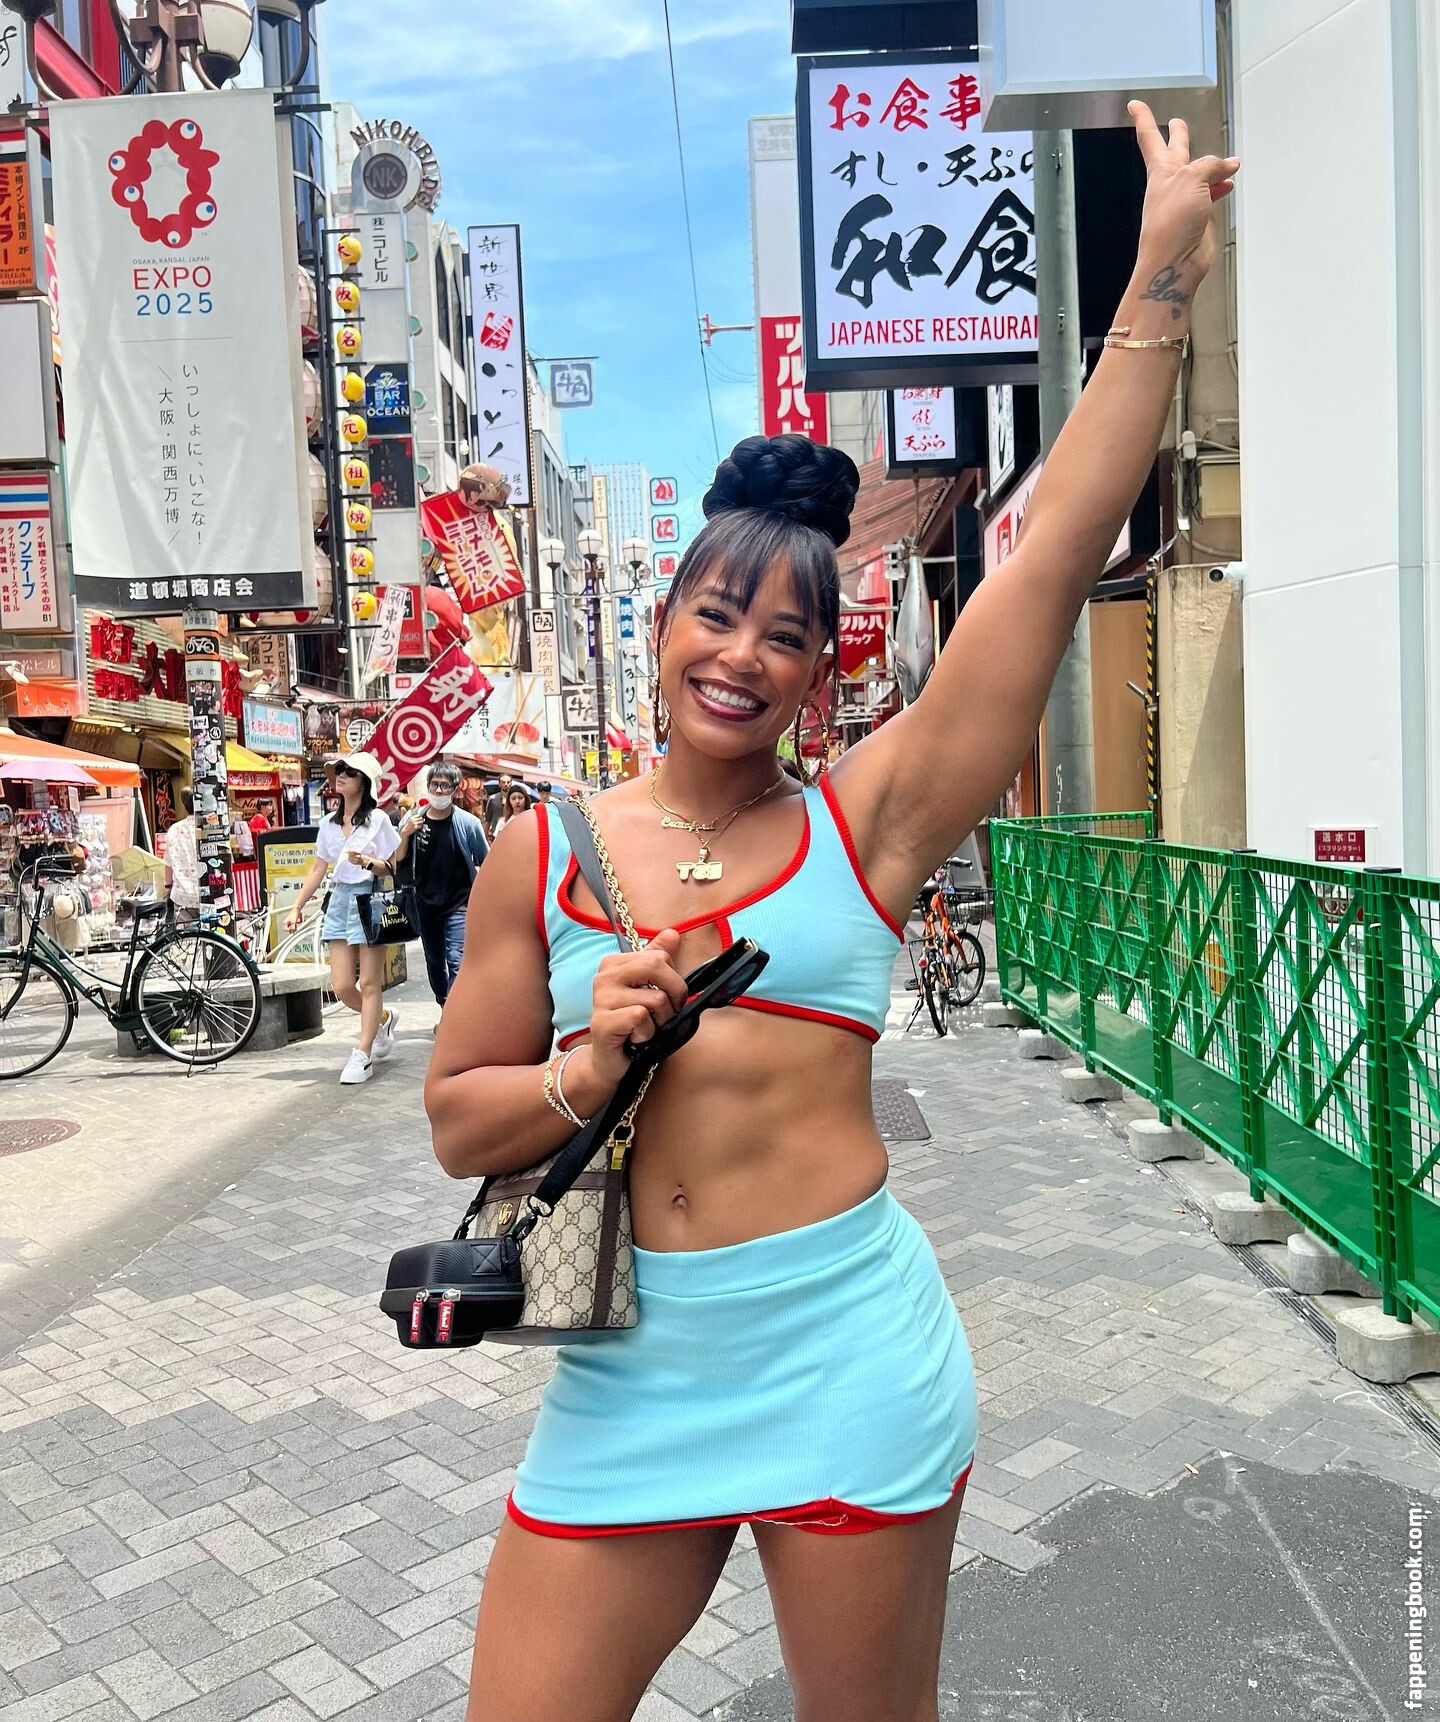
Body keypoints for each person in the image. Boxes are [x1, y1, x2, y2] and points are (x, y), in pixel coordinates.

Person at [427, 105, 1234, 1722]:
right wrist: (590, 1063)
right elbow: (459, 1122)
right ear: (661, 622)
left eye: (785, 635)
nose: (743, 654)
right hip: (630, 1373)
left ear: (817, 669)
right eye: (717, 614)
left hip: (846, 1352)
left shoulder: (869, 822)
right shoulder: (542, 851)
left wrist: (1155, 286)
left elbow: (1048, 564)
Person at [285, 751, 401, 1085]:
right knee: (342, 986)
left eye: (349, 772)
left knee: (369, 983)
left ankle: (363, 1053)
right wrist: (296, 906)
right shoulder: (328, 824)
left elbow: (392, 866)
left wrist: (367, 862)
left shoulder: (378, 820)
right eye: (339, 771)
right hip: (338, 900)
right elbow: (318, 868)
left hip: (369, 898)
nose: (341, 776)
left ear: (364, 782)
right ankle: (383, 1018)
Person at [391, 762, 490, 1008]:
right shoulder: (413, 820)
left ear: (455, 790)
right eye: (434, 784)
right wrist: (405, 834)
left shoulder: (468, 823)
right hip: (425, 904)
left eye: (444, 786)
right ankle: (444, 1003)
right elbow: (397, 859)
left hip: (459, 904)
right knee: (434, 962)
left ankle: (454, 1014)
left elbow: (486, 860)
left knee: (457, 960)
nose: (438, 790)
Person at [163, 790, 200, 926]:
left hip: (182, 895)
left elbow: (168, 862)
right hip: (207, 895)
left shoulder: (174, 830)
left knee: (185, 936)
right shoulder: (209, 828)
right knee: (212, 936)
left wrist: (168, 887)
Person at [482, 773, 513, 838]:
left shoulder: (515, 799)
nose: (506, 784)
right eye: (503, 782)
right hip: (495, 834)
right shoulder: (493, 799)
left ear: (511, 783)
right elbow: (488, 819)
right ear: (499, 784)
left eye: (508, 782)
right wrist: (485, 836)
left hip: (511, 833)